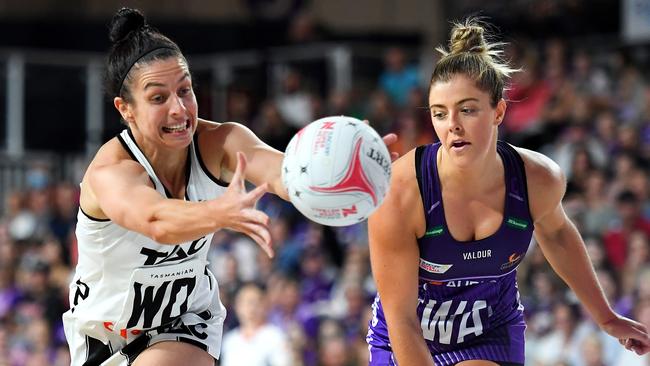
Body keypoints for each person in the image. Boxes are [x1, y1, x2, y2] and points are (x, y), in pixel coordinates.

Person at [62, 8, 396, 366]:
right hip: (103, 334)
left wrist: (344, 165)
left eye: (185, 91)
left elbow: (286, 174)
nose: (179, 109)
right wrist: (217, 213)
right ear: (125, 109)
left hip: (185, 318)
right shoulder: (111, 171)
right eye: (158, 98)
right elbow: (155, 220)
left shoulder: (221, 142)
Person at [365, 18, 650, 366]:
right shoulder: (400, 191)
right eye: (440, 113)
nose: (452, 124)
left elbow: (558, 232)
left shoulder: (538, 178)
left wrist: (605, 316)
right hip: (408, 334)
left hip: (491, 329)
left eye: (467, 109)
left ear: (498, 110)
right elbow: (402, 319)